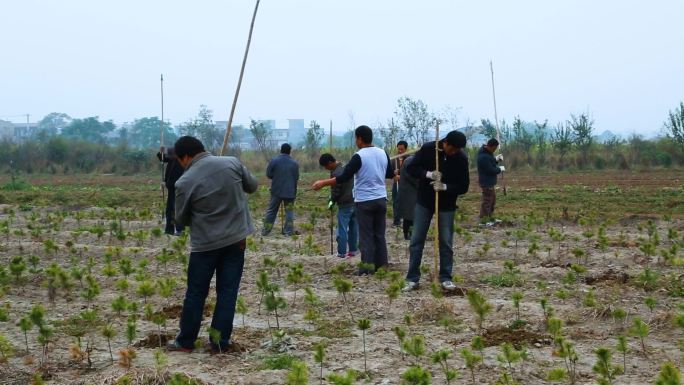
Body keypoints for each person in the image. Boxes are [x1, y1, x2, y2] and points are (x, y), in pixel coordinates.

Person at [167, 136, 258, 353]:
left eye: (180, 161)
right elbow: (252, 186)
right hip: (237, 240)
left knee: (196, 293)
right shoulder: (232, 162)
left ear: (186, 156)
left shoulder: (185, 182)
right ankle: (219, 342)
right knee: (228, 292)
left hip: (205, 246)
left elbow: (180, 220)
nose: (181, 165)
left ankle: (186, 341)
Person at [312, 125, 394, 275]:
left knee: (366, 236)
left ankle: (367, 268)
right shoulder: (383, 153)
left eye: (356, 138)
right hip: (381, 199)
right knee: (379, 235)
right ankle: (382, 266)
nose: (356, 141)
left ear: (360, 138)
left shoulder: (359, 156)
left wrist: (323, 182)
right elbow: (389, 174)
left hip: (365, 201)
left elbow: (344, 177)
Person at [403, 131, 469, 292]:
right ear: (445, 143)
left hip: (447, 205)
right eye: (452, 149)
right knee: (417, 240)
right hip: (424, 202)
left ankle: (446, 278)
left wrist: (446, 187)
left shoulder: (461, 158)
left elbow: (464, 186)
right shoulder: (428, 149)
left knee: (446, 242)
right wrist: (428, 174)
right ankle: (412, 279)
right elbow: (411, 168)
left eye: (457, 150)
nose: (454, 153)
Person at [318, 153, 358, 259]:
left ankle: (341, 253)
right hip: (355, 201)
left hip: (345, 204)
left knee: (342, 229)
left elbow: (336, 192)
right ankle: (353, 251)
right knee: (354, 228)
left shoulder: (336, 173)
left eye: (326, 166)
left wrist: (331, 202)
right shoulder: (346, 167)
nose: (326, 169)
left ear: (330, 163)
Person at [262, 143, 300, 236]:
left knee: (271, 211)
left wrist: (276, 177)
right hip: (290, 192)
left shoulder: (274, 161)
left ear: (281, 150)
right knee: (289, 212)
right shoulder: (295, 163)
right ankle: (288, 232)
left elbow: (269, 174)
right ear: (290, 151)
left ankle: (265, 231)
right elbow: (296, 177)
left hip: (276, 191)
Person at [157, 146, 185, 235]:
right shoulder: (172, 160)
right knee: (170, 210)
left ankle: (179, 229)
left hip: (177, 189)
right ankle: (169, 230)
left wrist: (166, 184)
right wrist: (161, 153)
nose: (168, 158)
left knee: (175, 210)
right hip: (172, 189)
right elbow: (163, 159)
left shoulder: (180, 163)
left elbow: (177, 180)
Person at [476, 138, 505, 224]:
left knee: (492, 200)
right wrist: (499, 169)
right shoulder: (484, 156)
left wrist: (496, 160)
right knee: (487, 201)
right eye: (495, 148)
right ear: (491, 146)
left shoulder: (487, 153)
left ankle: (490, 218)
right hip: (486, 182)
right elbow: (491, 170)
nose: (495, 150)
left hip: (489, 182)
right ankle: (484, 220)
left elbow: (491, 163)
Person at [396, 154, 418, 241]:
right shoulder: (410, 161)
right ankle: (408, 235)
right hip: (408, 192)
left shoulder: (411, 160)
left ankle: (410, 234)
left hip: (410, 192)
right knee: (409, 215)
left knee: (410, 215)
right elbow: (412, 177)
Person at [391, 140, 409, 227]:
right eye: (398, 149)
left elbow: (412, 173)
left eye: (402, 149)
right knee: (395, 201)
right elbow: (389, 172)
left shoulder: (410, 159)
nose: (400, 151)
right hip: (396, 184)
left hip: (407, 185)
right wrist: (393, 173)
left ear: (406, 149)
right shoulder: (394, 159)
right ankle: (396, 221)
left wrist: (402, 176)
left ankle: (407, 221)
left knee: (406, 202)